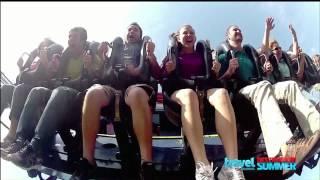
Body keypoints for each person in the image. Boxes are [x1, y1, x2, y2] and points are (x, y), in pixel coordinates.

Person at [219, 23, 320, 177]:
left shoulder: (249, 51)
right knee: (263, 86)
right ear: (228, 36)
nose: (238, 30)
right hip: (240, 93)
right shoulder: (223, 54)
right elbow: (218, 80)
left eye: (240, 28)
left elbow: (264, 49)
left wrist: (266, 31)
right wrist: (228, 71)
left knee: (290, 86)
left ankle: (315, 129)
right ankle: (285, 148)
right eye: (234, 29)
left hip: (260, 86)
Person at [4, 27, 103, 169]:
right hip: (59, 93)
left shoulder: (92, 56)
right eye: (69, 37)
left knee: (61, 90)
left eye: (73, 37)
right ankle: (20, 140)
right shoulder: (65, 58)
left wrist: (88, 67)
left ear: (83, 40)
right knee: (37, 90)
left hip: (80, 98)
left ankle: (34, 148)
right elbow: (52, 80)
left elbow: (98, 79)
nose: (69, 40)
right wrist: (45, 65)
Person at [70, 22, 157, 180]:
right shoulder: (115, 48)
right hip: (111, 87)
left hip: (133, 86)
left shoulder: (143, 47)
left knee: (137, 93)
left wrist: (149, 54)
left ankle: (147, 163)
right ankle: (87, 160)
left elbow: (152, 70)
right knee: (93, 93)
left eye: (135, 30)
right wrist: (102, 56)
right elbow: (101, 74)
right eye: (129, 29)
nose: (131, 32)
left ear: (140, 34)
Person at [159, 24, 245, 180]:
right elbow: (163, 79)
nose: (189, 35)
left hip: (203, 91)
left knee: (222, 93)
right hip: (180, 93)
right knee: (189, 95)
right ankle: (203, 167)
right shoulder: (172, 56)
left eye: (192, 32)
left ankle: (231, 166)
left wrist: (215, 71)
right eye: (185, 33)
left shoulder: (203, 54)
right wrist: (168, 70)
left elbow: (212, 80)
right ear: (178, 37)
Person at [1, 38, 63, 149]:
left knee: (21, 89)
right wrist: (21, 68)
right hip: (23, 95)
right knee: (6, 88)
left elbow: (50, 80)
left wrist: (45, 63)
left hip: (39, 101)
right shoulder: (35, 61)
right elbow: (23, 78)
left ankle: (12, 134)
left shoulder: (54, 60)